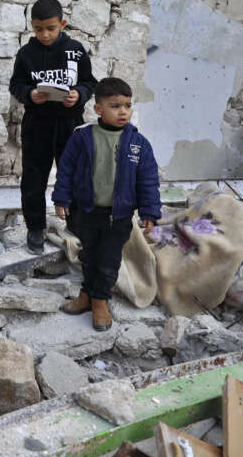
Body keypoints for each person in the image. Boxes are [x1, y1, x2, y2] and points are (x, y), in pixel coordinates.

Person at [51, 77, 161, 332]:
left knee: (108, 260)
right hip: (86, 211)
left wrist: (149, 212)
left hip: (119, 216)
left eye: (127, 105)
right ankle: (86, 296)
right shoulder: (83, 137)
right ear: (98, 109)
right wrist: (61, 198)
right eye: (115, 106)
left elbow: (147, 181)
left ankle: (100, 302)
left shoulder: (138, 143)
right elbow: (66, 170)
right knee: (88, 256)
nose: (123, 111)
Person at [8, 0, 97, 253]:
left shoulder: (76, 50)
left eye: (51, 28)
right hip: (37, 124)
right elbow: (16, 84)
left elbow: (90, 82)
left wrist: (79, 94)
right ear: (32, 27)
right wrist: (30, 95)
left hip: (70, 124)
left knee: (76, 174)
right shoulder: (26, 54)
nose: (44, 35)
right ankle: (36, 228)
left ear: (62, 24)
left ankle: (77, 224)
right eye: (38, 29)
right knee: (34, 178)